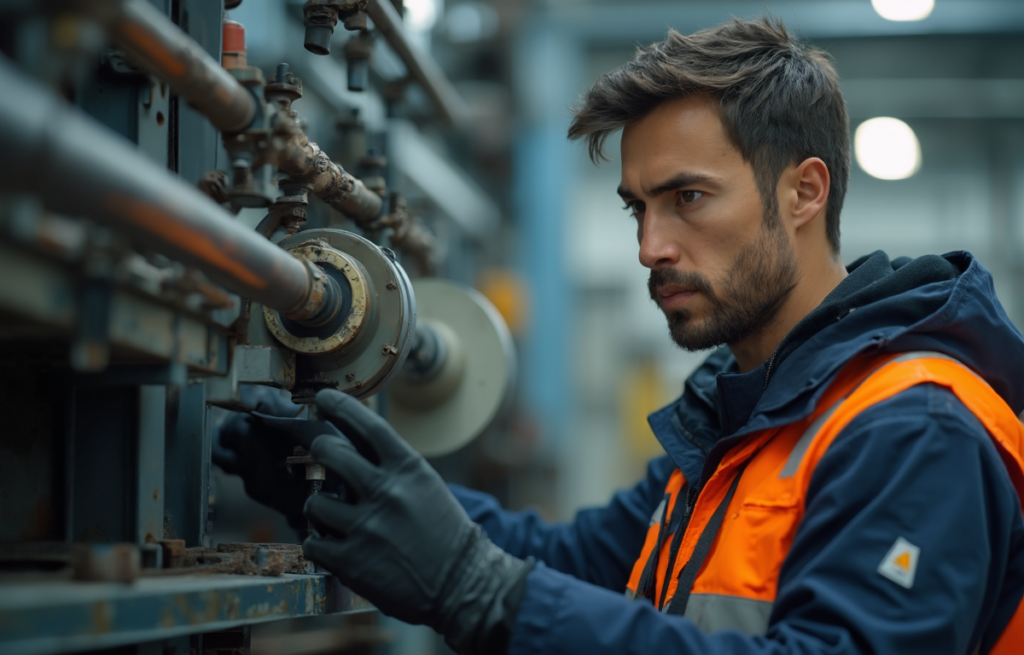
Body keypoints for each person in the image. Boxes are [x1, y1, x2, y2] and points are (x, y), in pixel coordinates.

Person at [216, 17, 1024, 655]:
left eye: (688, 198)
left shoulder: (914, 429)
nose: (650, 247)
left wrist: (482, 589)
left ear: (804, 191)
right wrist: (336, 485)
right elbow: (581, 561)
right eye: (639, 207)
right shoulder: (743, 416)